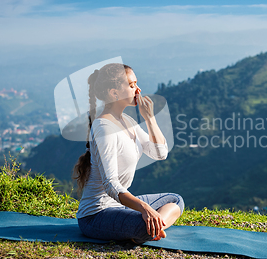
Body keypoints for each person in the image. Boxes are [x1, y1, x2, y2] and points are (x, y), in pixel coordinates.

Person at [73, 63, 184, 244]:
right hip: (96, 216)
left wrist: (149, 118)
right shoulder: (104, 128)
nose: (138, 89)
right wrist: (144, 208)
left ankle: (153, 229)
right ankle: (149, 229)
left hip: (119, 207)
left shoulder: (128, 121)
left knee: (175, 200)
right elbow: (111, 185)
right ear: (114, 93)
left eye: (136, 84)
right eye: (132, 85)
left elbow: (160, 153)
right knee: (144, 223)